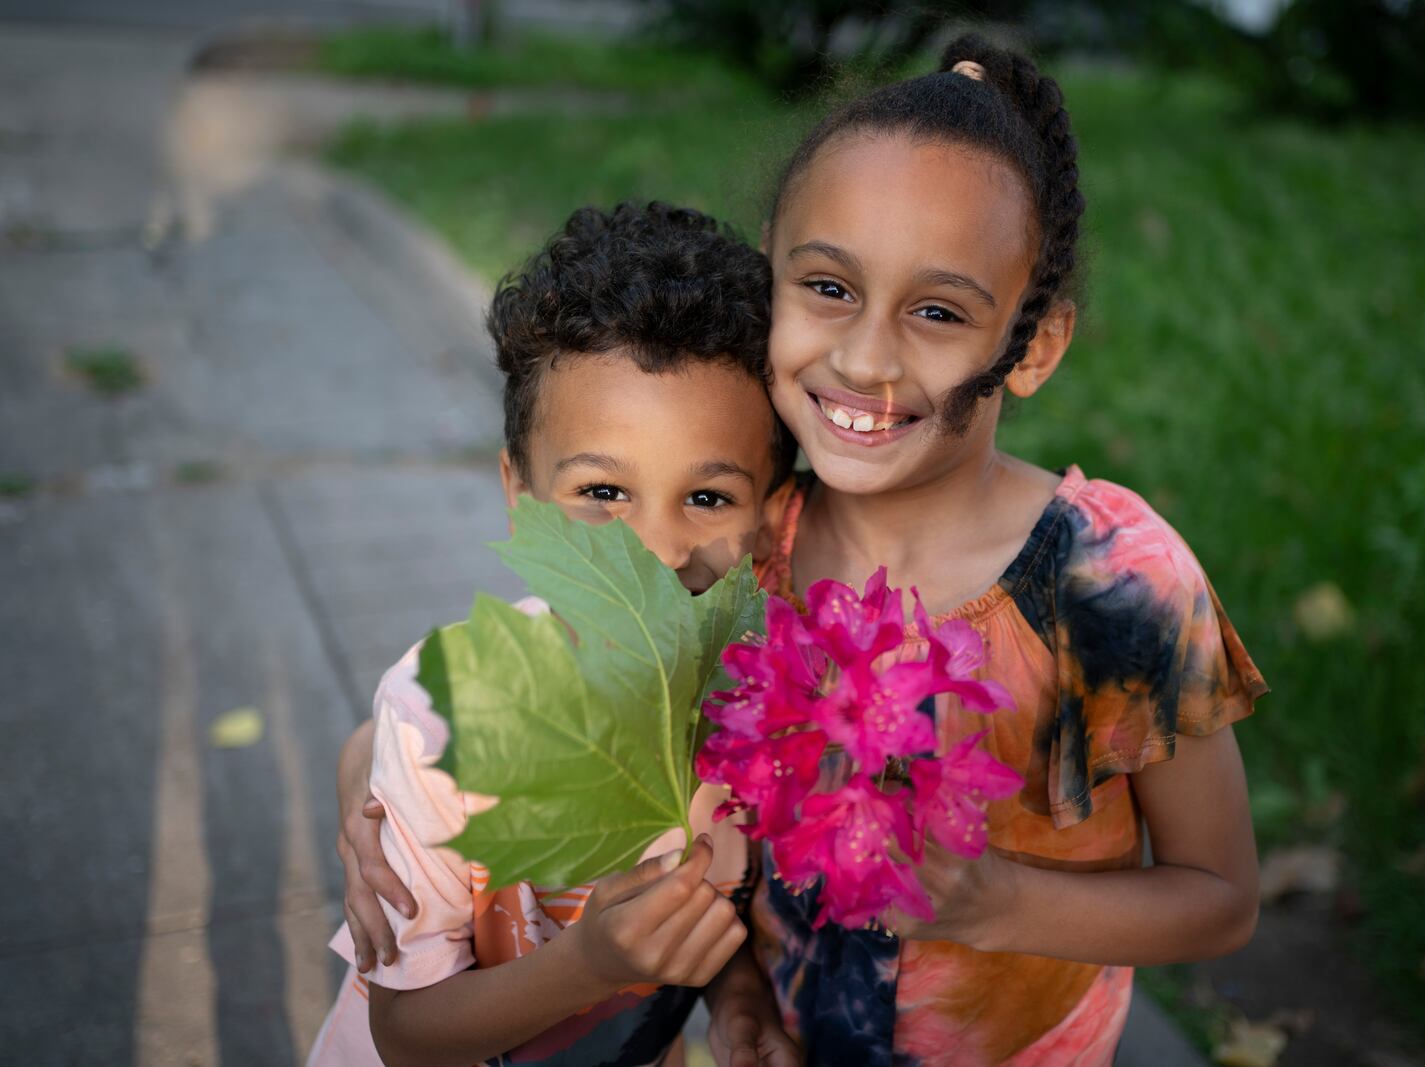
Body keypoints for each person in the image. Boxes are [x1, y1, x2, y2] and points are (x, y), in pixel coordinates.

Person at [344, 35, 1269, 1066]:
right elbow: (557, 695)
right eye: (827, 287)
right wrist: (369, 786)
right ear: (773, 277)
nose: (866, 357)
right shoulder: (743, 534)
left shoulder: (1114, 585)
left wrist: (995, 897)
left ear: (1034, 343)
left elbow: (1221, 899)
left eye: (937, 310)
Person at [308, 202, 801, 1067]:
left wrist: (738, 996)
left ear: (769, 519)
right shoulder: (444, 723)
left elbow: (714, 906)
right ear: (521, 493)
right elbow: (405, 1033)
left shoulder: (758, 719)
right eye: (604, 492)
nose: (653, 550)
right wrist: (588, 964)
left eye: (709, 496)